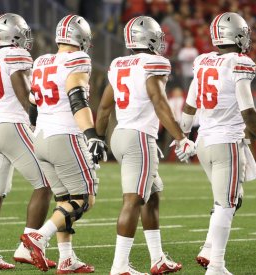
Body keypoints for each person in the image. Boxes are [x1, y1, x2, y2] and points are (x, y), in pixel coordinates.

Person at [179, 13, 256, 275]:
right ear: (236, 34)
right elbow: (248, 110)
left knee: (232, 197)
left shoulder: (202, 61)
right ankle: (217, 266)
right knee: (226, 203)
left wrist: (183, 136)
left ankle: (209, 247)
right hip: (226, 142)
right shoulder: (240, 62)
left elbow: (190, 104)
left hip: (204, 141)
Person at [95, 16, 194, 275]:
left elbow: (105, 105)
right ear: (148, 37)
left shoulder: (119, 65)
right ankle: (119, 266)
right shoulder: (153, 63)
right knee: (134, 199)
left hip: (120, 134)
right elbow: (160, 103)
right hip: (138, 138)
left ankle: (157, 257)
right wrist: (181, 138)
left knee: (151, 197)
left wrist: (96, 136)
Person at [19, 15, 101, 274]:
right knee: (84, 199)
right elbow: (77, 99)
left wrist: (36, 130)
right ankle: (39, 237)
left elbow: (32, 103)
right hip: (64, 135)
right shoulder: (79, 59)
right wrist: (92, 135)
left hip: (41, 137)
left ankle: (66, 258)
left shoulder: (42, 60)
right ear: (82, 38)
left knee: (64, 200)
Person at [0, 13, 55, 271]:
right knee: (45, 183)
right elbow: (24, 96)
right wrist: (40, 121)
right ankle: (26, 246)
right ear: (14, 34)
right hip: (11, 125)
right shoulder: (15, 56)